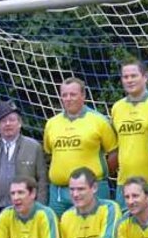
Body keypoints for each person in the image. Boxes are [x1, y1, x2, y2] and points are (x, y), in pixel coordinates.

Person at [43, 77, 118, 217]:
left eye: (73, 94)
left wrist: (99, 175)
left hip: (91, 191)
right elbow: (49, 153)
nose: (68, 98)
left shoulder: (99, 121)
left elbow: (115, 152)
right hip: (58, 193)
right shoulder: (51, 124)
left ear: (83, 95)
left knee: (94, 232)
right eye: (64, 95)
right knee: (60, 235)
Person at [0, 99, 48, 219]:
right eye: (3, 121)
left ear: (19, 123)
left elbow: (42, 182)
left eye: (11, 120)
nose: (8, 124)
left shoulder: (34, 147)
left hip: (27, 212)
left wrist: (40, 210)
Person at [111, 60, 148, 207]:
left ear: (145, 77)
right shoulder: (117, 107)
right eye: (125, 77)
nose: (129, 80)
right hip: (124, 182)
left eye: (133, 76)